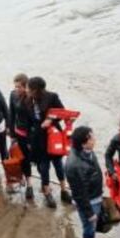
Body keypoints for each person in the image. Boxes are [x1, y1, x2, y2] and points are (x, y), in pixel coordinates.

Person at [25, 76, 72, 209]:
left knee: (58, 164)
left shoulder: (52, 97)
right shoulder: (27, 101)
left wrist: (50, 121)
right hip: (38, 138)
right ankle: (47, 192)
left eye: (29, 88)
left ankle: (64, 191)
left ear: (37, 90)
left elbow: (63, 113)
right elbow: (28, 123)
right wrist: (29, 140)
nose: (27, 90)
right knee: (44, 167)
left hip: (53, 135)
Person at [64, 126, 105, 238]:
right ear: (83, 143)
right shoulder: (75, 165)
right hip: (89, 202)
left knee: (92, 225)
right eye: (92, 138)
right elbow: (79, 194)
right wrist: (90, 213)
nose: (95, 140)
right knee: (89, 228)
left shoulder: (88, 152)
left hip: (95, 195)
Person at [7, 73, 35, 200]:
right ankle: (26, 182)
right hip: (18, 132)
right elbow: (11, 115)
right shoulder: (13, 95)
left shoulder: (31, 99)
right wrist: (12, 134)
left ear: (26, 87)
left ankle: (29, 184)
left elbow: (34, 120)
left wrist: (31, 139)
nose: (17, 89)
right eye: (15, 86)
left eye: (19, 87)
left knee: (29, 159)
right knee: (21, 158)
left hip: (29, 135)